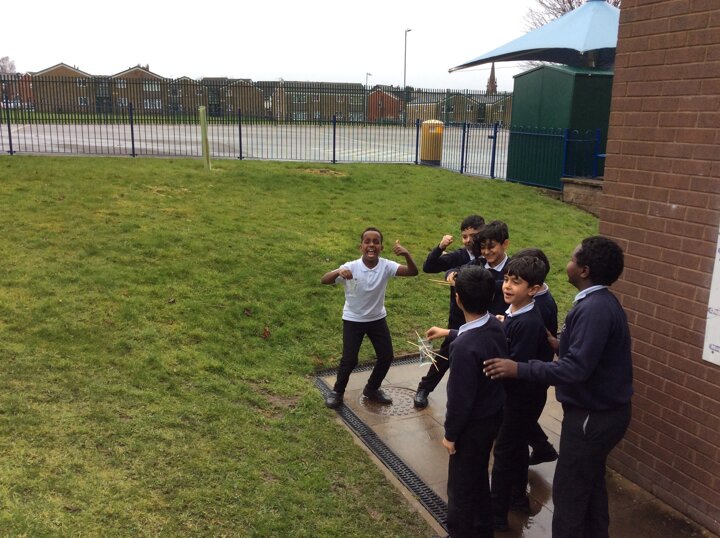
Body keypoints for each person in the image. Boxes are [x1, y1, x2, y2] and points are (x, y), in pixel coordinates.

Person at [483, 236, 633, 538]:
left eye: (573, 258)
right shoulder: (597, 303)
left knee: (569, 497)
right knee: (590, 487)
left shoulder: (595, 310)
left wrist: (518, 368)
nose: (568, 262)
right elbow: (588, 353)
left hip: (593, 416)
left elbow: (576, 369)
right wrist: (559, 343)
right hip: (602, 414)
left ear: (584, 270)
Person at [426, 265, 507, 538]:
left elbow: (460, 400)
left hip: (471, 427)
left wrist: (450, 435)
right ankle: (483, 527)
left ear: (458, 299)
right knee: (479, 474)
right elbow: (475, 336)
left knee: (460, 488)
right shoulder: (495, 324)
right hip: (492, 416)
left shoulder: (463, 348)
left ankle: (460, 531)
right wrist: (447, 332)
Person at [489, 255, 555, 531]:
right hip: (517, 398)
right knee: (515, 449)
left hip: (521, 400)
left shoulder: (527, 322)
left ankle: (495, 516)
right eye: (506, 279)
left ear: (534, 289)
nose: (507, 286)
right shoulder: (515, 314)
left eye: (516, 282)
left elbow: (516, 365)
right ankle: (517, 499)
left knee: (504, 453)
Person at [322, 227, 418, 409]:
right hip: (353, 319)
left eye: (376, 242)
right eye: (367, 241)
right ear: (361, 247)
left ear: (381, 247)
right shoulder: (351, 267)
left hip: (377, 319)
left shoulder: (386, 266)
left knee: (386, 356)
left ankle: (372, 389)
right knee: (349, 360)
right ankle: (337, 392)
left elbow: (413, 272)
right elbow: (324, 280)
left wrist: (406, 254)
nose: (371, 245)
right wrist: (338, 272)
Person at [414, 214, 485, 409]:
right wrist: (440, 248)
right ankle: (424, 388)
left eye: (473, 235)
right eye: (464, 236)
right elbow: (429, 267)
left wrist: (456, 272)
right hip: (458, 316)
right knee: (446, 353)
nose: (468, 240)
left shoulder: (488, 254)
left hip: (482, 316)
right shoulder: (460, 255)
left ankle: (477, 397)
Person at [513, 247, 560, 466]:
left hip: (532, 375)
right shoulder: (537, 301)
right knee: (522, 419)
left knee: (520, 421)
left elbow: (526, 348)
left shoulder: (537, 307)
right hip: (534, 372)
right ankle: (543, 449)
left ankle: (537, 453)